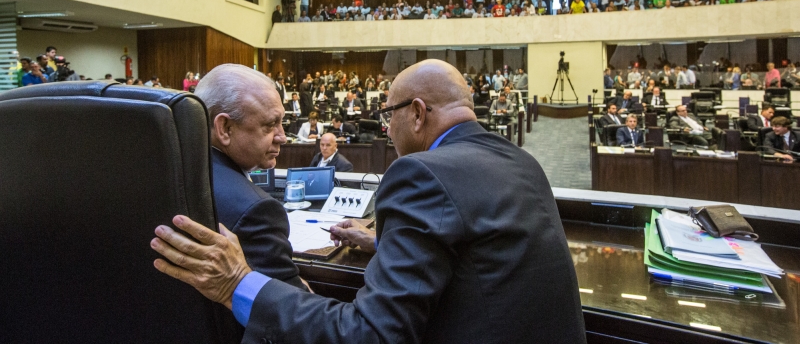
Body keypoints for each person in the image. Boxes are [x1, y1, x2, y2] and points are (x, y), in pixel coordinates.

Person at [150, 59, 586, 344]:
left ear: (416, 113)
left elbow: (371, 336)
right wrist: (385, 243)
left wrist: (235, 283)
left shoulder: (421, 172)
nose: (385, 131)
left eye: (387, 115)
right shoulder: (521, 159)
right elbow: (485, 251)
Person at [193, 65, 308, 340]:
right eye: (270, 125)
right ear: (224, 128)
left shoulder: (166, 173)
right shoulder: (256, 210)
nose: (282, 136)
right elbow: (295, 320)